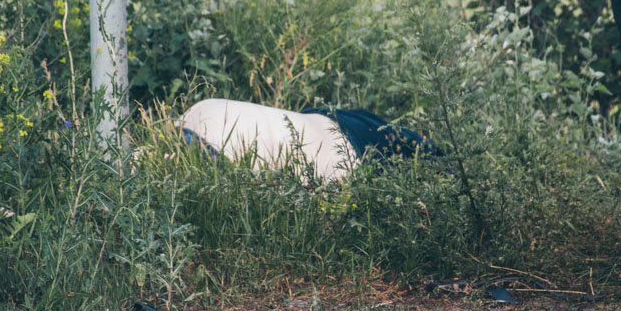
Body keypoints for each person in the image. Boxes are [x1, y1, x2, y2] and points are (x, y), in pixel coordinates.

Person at [178, 98, 442, 182]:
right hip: (341, 140)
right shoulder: (374, 132)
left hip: (204, 112)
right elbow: (426, 150)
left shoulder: (337, 119)